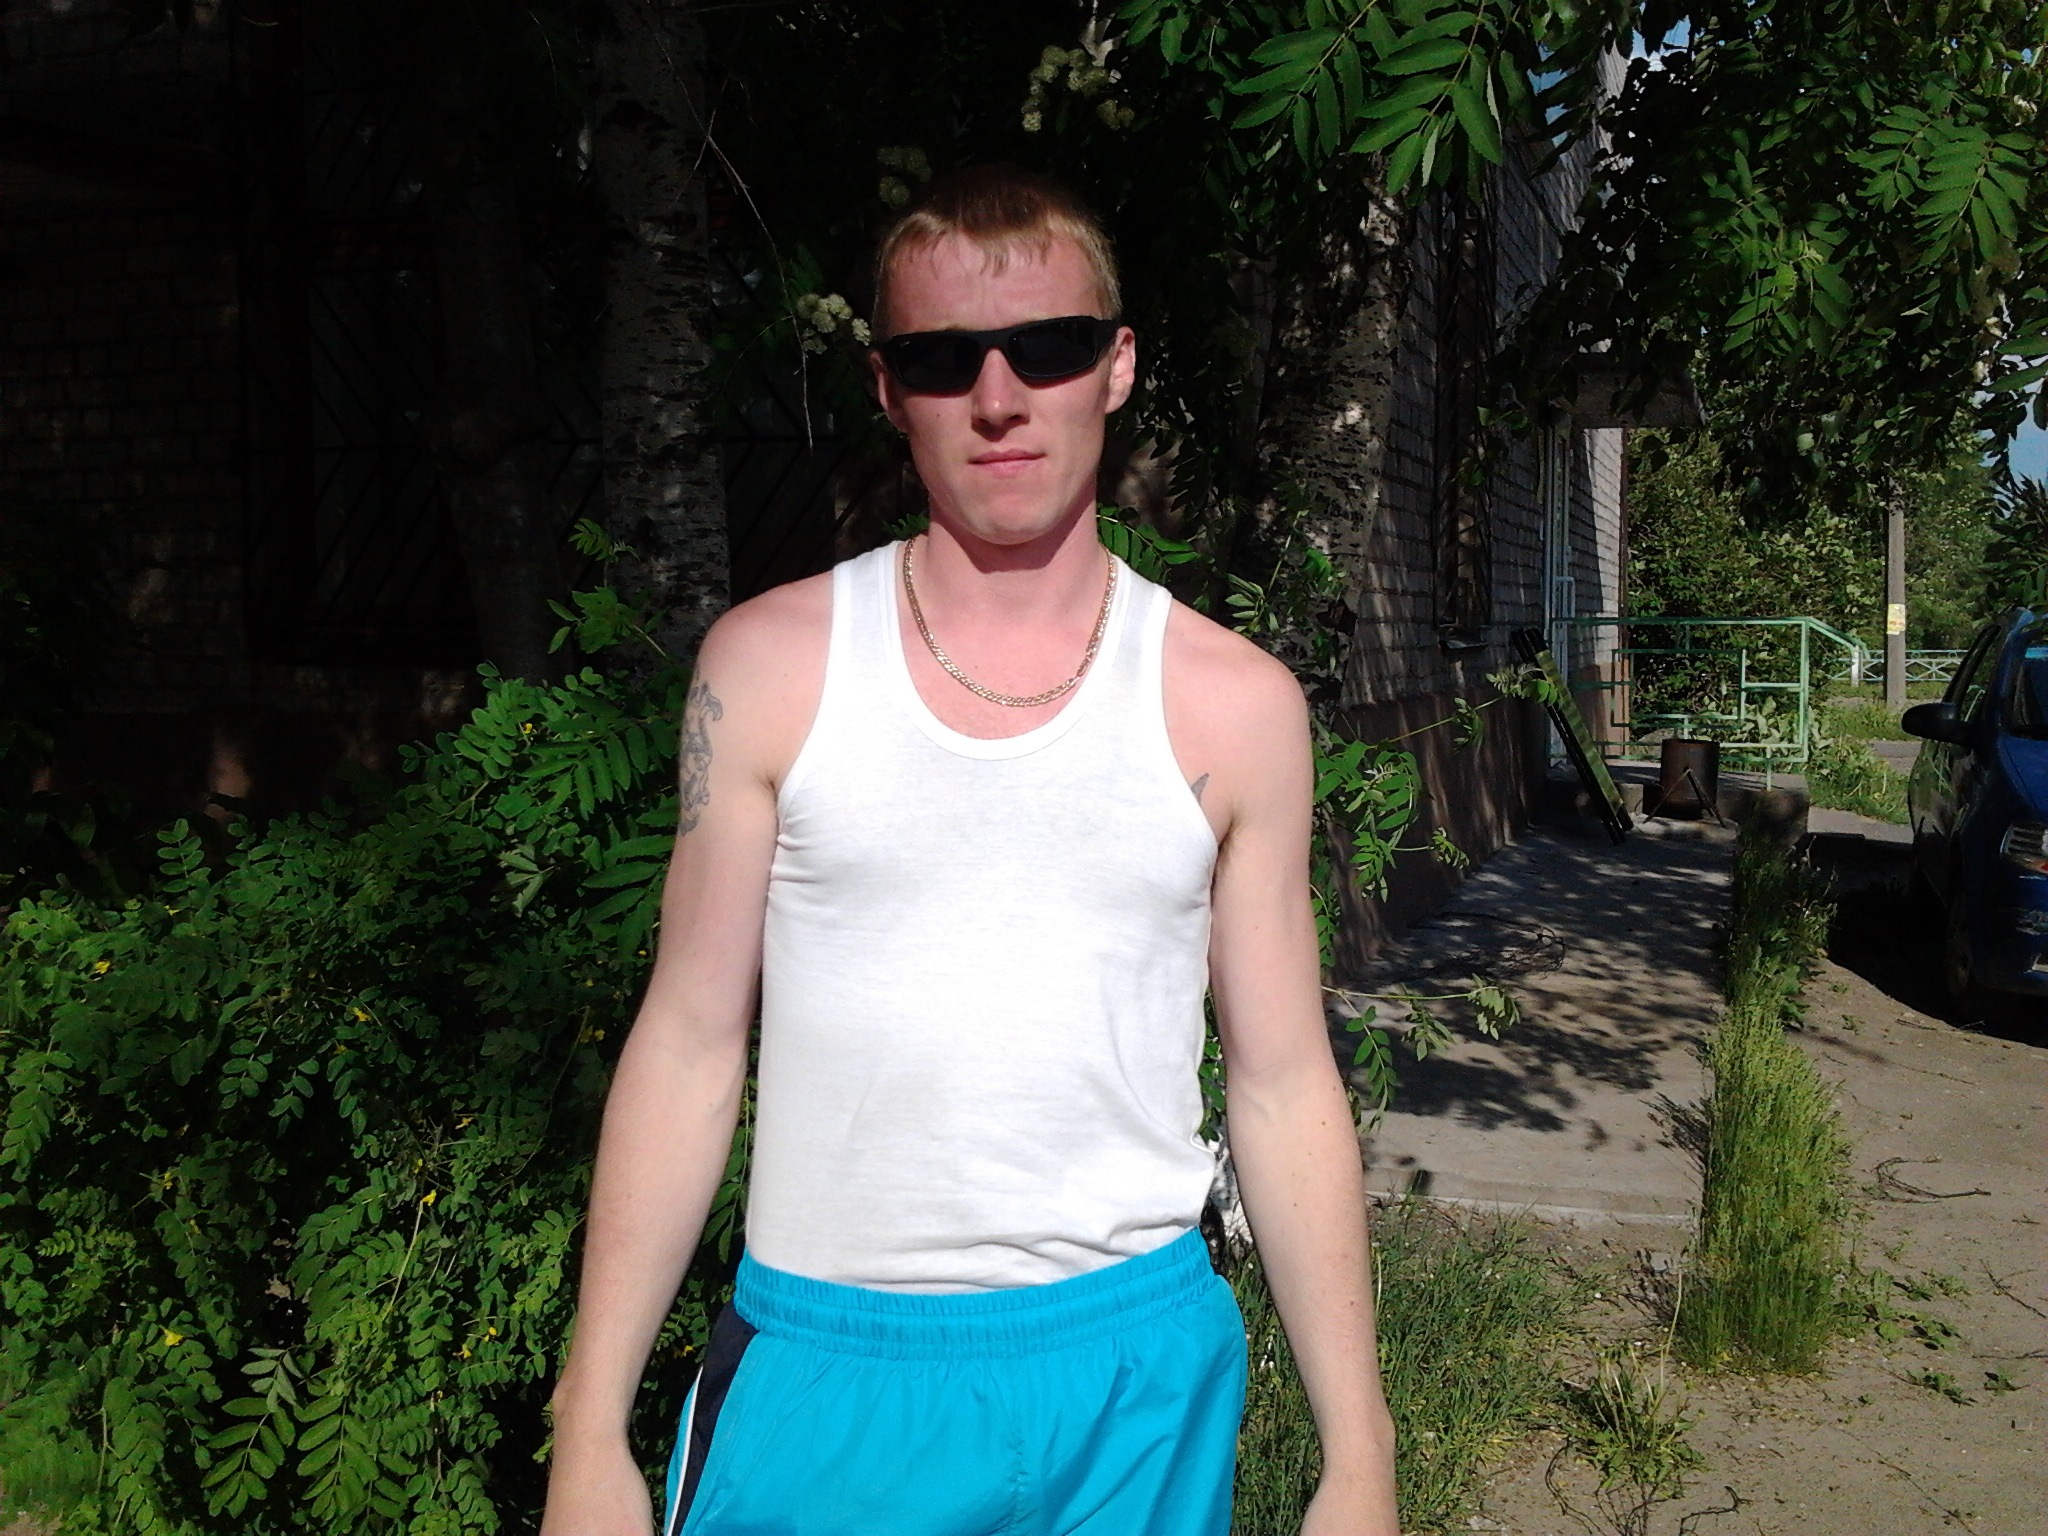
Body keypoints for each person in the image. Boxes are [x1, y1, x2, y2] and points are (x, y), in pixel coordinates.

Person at [539, 165, 1399, 1536]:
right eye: (944, 359)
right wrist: (589, 1433)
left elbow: (1285, 1080)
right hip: (833, 1375)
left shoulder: (1237, 709)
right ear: (889, 390)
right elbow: (689, 1042)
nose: (998, 397)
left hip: (1137, 1385)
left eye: (1047, 347)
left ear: (1116, 366)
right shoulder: (768, 669)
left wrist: (1361, 1456)